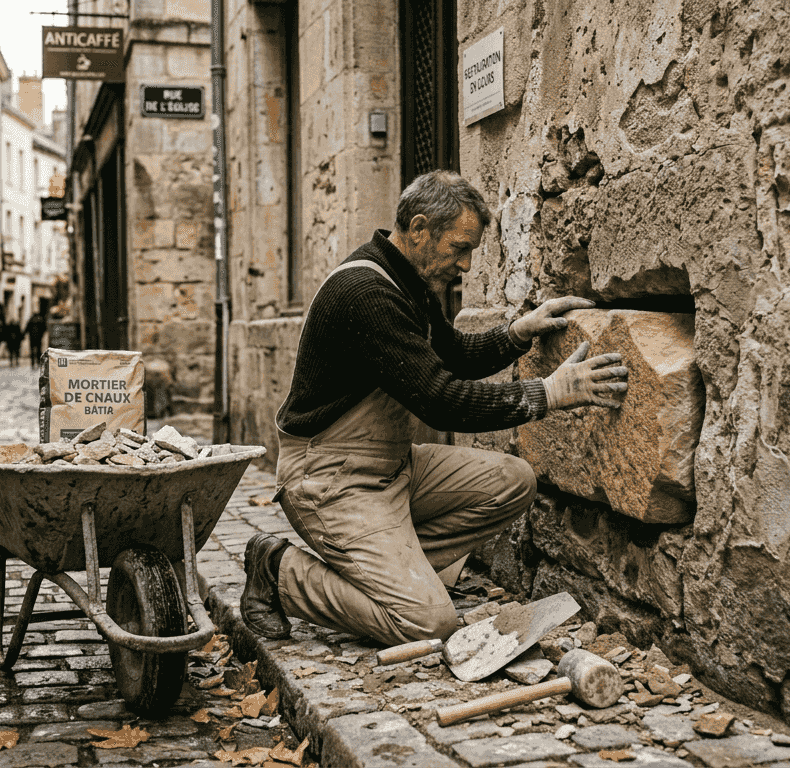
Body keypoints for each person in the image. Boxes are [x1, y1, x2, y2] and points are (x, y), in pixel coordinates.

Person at [241, 171, 627, 646]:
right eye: (460, 248)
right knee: (429, 623)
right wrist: (549, 392)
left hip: (390, 467)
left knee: (513, 482)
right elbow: (440, 400)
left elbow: (453, 355)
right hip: (329, 478)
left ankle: (400, 574)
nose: (466, 264)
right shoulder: (366, 293)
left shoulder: (412, 283)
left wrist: (517, 332)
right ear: (419, 228)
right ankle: (279, 571)